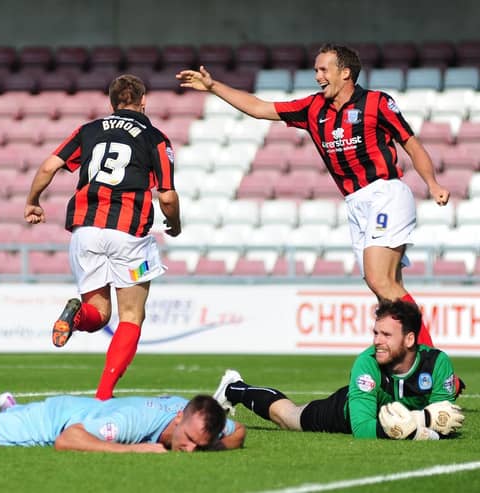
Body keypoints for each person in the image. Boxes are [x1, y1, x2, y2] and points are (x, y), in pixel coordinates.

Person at [176, 44, 447, 350]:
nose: (317, 75)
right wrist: (213, 87)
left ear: (345, 73)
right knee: (387, 290)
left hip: (385, 192)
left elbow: (410, 143)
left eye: (323, 69)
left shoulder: (377, 103)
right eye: (316, 69)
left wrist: (432, 183)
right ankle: (417, 366)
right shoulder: (312, 108)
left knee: (380, 281)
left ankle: (432, 363)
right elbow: (260, 107)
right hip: (355, 202)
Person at [24, 74, 182, 400]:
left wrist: (33, 202)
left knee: (98, 316)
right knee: (131, 316)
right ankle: (104, 395)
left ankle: (76, 315)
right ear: (144, 101)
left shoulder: (89, 130)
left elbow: (48, 166)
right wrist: (174, 223)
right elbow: (166, 196)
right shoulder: (155, 138)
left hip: (86, 232)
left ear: (111, 103)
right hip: (129, 236)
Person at [212, 299, 464, 440]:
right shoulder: (367, 363)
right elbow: (363, 429)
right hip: (345, 413)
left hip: (397, 421)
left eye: (386, 335)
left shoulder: (437, 363)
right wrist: (421, 422)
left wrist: (420, 424)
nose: (377, 340)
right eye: (376, 333)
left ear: (410, 340)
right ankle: (235, 388)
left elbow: (444, 417)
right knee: (289, 418)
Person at [0, 393, 245, 453]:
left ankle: (9, 409)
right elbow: (68, 440)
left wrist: (217, 445)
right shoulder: (131, 422)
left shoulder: (202, 416)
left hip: (72, 408)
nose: (190, 448)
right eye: (189, 440)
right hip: (49, 422)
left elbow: (238, 430)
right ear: (178, 418)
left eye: (200, 444)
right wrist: (138, 451)